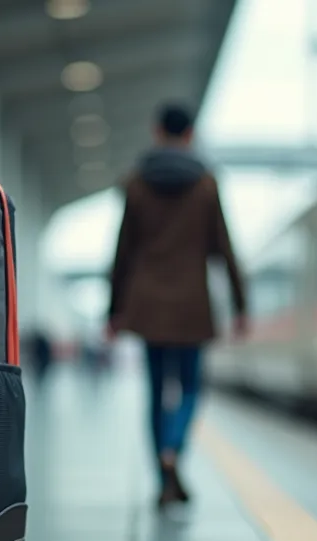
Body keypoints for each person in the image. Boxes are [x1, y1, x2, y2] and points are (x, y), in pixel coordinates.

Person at [105, 101, 248, 507]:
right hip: (191, 304)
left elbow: (123, 251)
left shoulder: (135, 183)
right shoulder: (206, 184)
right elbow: (224, 246)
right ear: (189, 134)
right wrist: (240, 304)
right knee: (189, 388)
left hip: (147, 303)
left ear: (156, 131)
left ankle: (162, 474)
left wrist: (113, 310)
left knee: (154, 391)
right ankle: (173, 451)